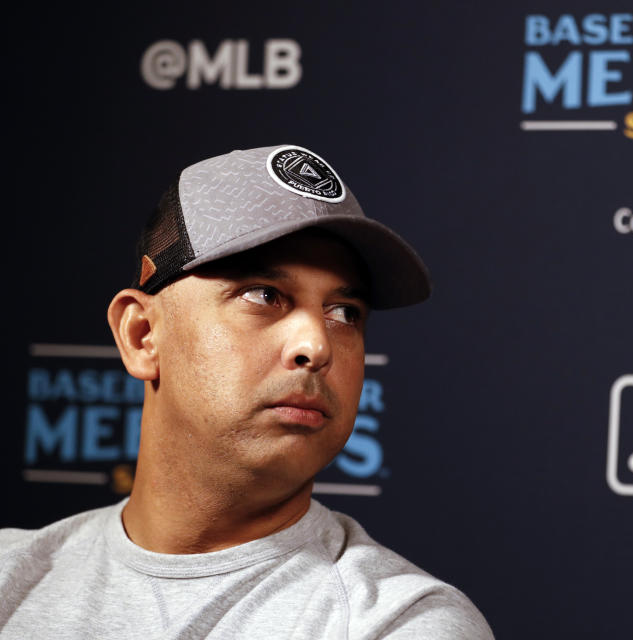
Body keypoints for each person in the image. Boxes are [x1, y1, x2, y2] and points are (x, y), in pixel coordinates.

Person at [0, 145, 494, 639]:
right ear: (142, 336)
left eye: (345, 312)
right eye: (264, 295)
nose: (316, 345)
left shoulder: (397, 623)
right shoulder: (10, 574)